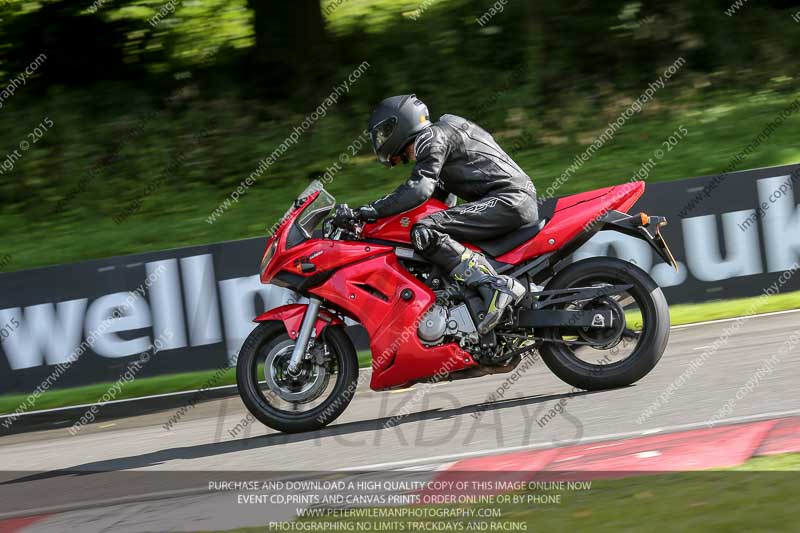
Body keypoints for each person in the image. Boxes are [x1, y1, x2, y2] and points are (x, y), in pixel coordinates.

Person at [337, 94, 538, 333]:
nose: (382, 140)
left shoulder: (431, 136)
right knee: (432, 229)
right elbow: (435, 202)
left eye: (383, 132)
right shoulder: (442, 140)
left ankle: (493, 286)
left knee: (425, 230)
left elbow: (419, 188)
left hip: (509, 199)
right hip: (511, 199)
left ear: (399, 123)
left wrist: (368, 211)